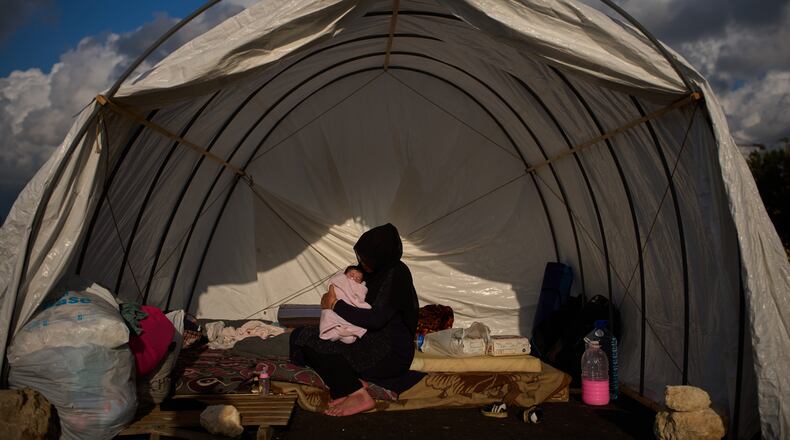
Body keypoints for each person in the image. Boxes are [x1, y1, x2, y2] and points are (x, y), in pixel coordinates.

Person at [290, 223, 420, 416]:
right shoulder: (370, 269)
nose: (362, 262)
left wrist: (335, 305)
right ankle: (352, 381)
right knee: (300, 336)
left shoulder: (396, 274)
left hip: (389, 353)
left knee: (310, 342)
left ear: (381, 256)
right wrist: (332, 297)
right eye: (361, 257)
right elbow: (349, 293)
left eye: (367, 258)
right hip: (366, 340)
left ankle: (357, 393)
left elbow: (375, 319)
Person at [319, 266, 370, 344]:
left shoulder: (360, 287)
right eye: (351, 275)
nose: (354, 279)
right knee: (329, 314)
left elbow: (360, 297)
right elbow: (333, 284)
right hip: (336, 306)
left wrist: (358, 301)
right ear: (345, 275)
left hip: (349, 308)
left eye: (358, 278)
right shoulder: (340, 280)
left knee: (350, 338)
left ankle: (346, 332)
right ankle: (335, 330)